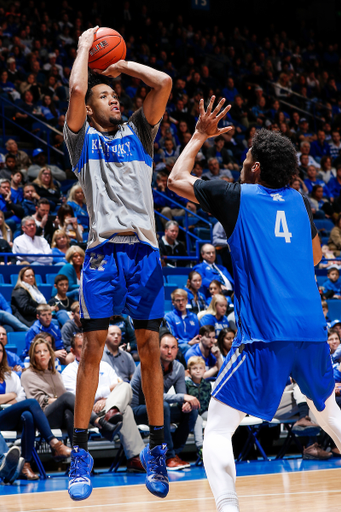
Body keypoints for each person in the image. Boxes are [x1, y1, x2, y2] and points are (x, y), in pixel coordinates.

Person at [167, 96, 341, 512]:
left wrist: (199, 135)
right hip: (312, 329)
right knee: (326, 414)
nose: (244, 159)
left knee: (216, 426)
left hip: (266, 333)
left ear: (256, 167)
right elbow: (313, 258)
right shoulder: (300, 202)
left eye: (248, 155)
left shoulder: (237, 197)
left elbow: (175, 178)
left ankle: (228, 507)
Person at [64, 26, 172, 501]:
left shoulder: (139, 132)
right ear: (90, 107)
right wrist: (87, 51)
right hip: (103, 253)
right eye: (104, 95)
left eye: (115, 96)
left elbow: (164, 83)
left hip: (144, 252)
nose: (113, 100)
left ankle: (157, 449)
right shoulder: (81, 138)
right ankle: (81, 452)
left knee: (150, 348)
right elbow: (75, 88)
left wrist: (121, 65)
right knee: (91, 350)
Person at [63, 333, 145, 473]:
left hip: (107, 407)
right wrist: (105, 392)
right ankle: (135, 457)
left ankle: (111, 415)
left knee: (125, 386)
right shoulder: (69, 372)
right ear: (72, 351)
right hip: (86, 415)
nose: (86, 350)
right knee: (126, 410)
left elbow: (119, 387)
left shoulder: (104, 366)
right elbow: (77, 398)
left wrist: (107, 400)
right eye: (81, 347)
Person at [21, 337, 119, 446]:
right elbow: (37, 401)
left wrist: (62, 400)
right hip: (42, 417)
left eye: (45, 351)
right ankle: (99, 422)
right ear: (33, 356)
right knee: (68, 397)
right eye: (38, 352)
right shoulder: (27, 374)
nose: (42, 354)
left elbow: (65, 399)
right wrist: (61, 400)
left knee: (69, 413)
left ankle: (78, 452)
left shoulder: (55, 374)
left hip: (60, 414)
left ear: (51, 354)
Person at [0, 340, 71, 479]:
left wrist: (12, 398)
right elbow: (17, 397)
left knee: (28, 415)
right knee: (32, 403)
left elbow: (20, 398)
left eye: (1, 351)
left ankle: (26, 465)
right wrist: (10, 396)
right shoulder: (23, 375)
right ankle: (54, 443)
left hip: (11, 415)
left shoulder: (11, 375)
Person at [131, 332, 198, 471]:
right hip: (136, 411)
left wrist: (185, 403)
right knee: (163, 407)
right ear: (157, 348)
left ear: (177, 350)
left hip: (157, 409)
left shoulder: (178, 367)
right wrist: (182, 397)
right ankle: (168, 456)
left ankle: (175, 453)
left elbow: (181, 395)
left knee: (192, 410)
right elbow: (153, 397)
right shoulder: (147, 365)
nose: (169, 351)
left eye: (173, 347)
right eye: (165, 347)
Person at [185, 355, 212, 461]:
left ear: (204, 370)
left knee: (213, 417)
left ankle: (213, 446)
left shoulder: (207, 384)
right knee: (198, 420)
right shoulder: (186, 384)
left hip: (205, 410)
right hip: (193, 413)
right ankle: (200, 448)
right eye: (194, 368)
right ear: (188, 371)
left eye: (200, 368)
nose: (198, 371)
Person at [164, 288, 201, 354]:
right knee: (187, 348)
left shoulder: (194, 317)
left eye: (183, 300)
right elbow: (172, 338)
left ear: (187, 301)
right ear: (173, 302)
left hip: (194, 344)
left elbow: (198, 335)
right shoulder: (169, 317)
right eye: (178, 300)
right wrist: (188, 342)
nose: (181, 303)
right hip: (179, 346)